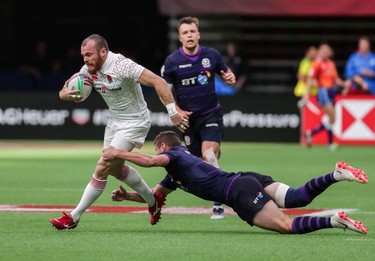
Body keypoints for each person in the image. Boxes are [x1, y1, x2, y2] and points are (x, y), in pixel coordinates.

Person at [103, 130, 368, 235]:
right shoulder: (176, 171)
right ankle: (335, 175)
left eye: (156, 149)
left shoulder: (172, 156)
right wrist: (128, 197)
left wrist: (119, 153)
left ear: (162, 146)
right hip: (246, 178)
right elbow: (154, 195)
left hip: (238, 191)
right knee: (297, 197)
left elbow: (149, 162)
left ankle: (334, 220)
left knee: (287, 226)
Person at [49, 34, 189, 230]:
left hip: (135, 121)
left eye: (89, 54)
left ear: (103, 52)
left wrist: (173, 111)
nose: (85, 59)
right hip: (114, 122)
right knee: (115, 169)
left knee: (103, 166)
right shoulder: (87, 71)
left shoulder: (122, 66)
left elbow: (159, 82)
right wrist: (63, 95)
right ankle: (153, 200)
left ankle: (74, 217)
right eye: (83, 56)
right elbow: (67, 90)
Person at [160, 16, 236, 219]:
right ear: (180, 37)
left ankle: (219, 203)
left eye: (192, 31)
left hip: (211, 114)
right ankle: (158, 195)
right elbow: (164, 93)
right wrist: (175, 110)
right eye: (185, 32)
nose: (189, 35)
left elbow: (228, 75)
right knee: (195, 164)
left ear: (198, 34)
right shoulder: (172, 62)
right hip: (187, 122)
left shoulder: (211, 55)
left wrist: (230, 78)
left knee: (209, 154)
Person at [302, 43, 349, 151]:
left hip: (332, 91)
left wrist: (344, 83)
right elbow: (309, 80)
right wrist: (306, 95)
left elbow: (336, 79)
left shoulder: (331, 64)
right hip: (323, 92)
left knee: (330, 119)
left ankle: (311, 133)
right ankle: (330, 143)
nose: (325, 53)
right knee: (332, 117)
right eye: (323, 51)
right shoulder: (317, 64)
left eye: (327, 51)